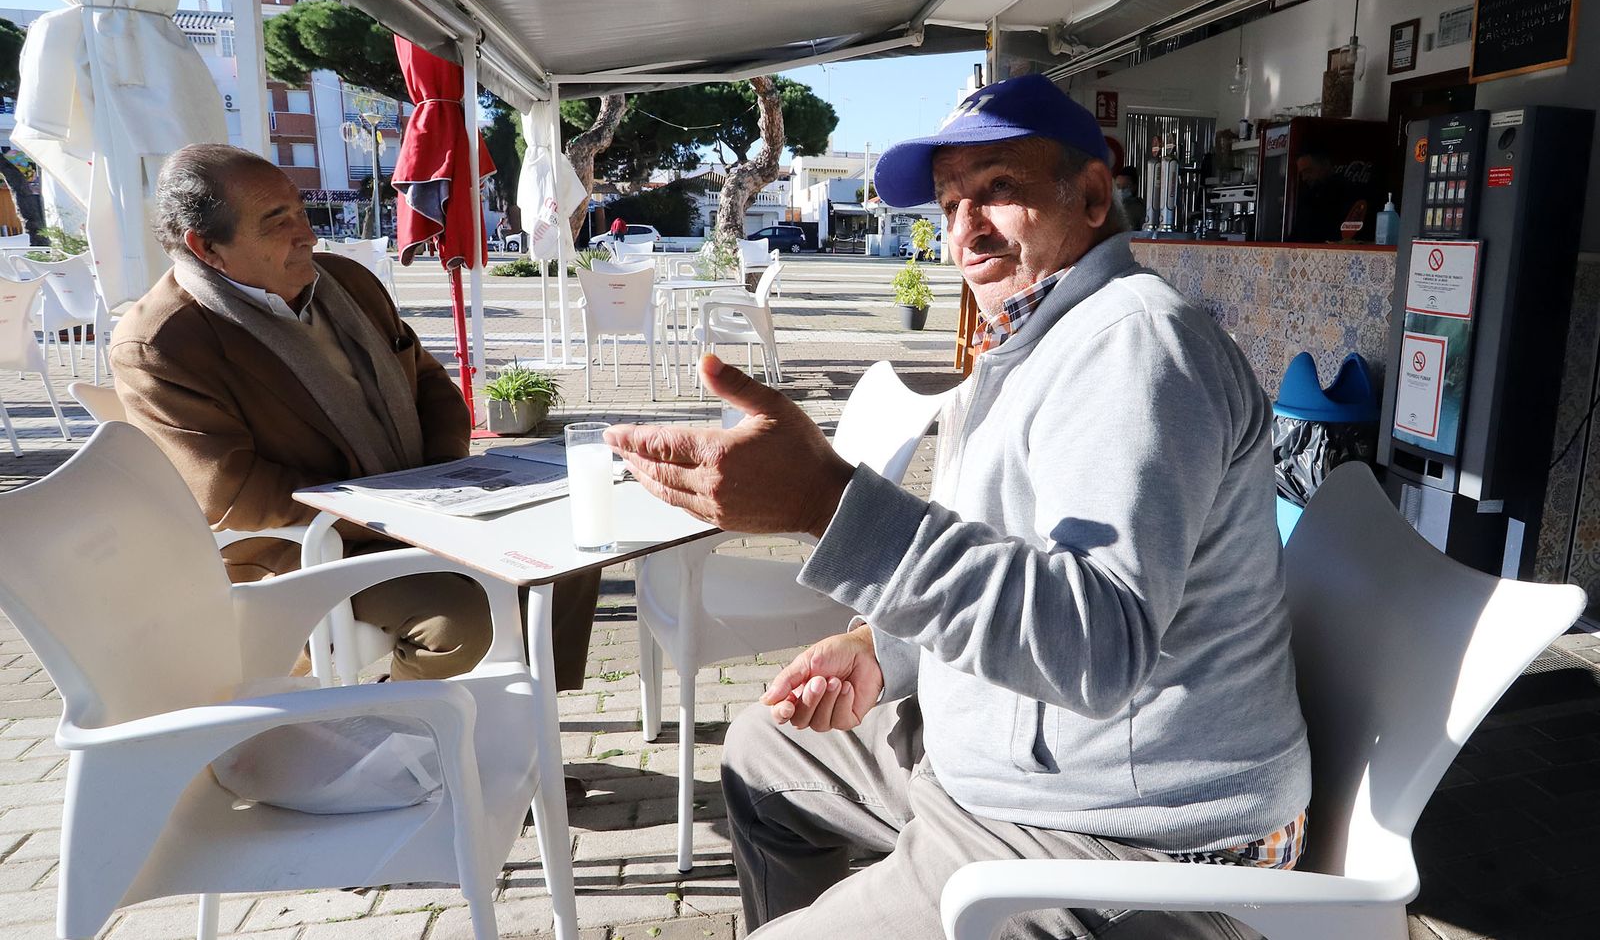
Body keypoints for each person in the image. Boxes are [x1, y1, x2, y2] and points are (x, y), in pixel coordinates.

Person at [605, 75, 1311, 938]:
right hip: (1004, 773)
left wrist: (827, 501)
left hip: (1131, 837)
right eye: (949, 203)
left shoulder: (1133, 346)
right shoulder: (1031, 344)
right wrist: (881, 647)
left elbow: (1101, 643)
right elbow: (1008, 561)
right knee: (763, 749)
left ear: (1090, 197)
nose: (966, 229)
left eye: (998, 190)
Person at [111, 144, 601, 699]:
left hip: (424, 508)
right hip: (303, 546)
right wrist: (390, 510)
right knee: (463, 621)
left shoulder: (347, 282)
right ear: (207, 248)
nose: (308, 234)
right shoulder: (163, 343)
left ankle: (521, 738)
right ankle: (424, 755)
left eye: (301, 210)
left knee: (568, 561)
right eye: (278, 221)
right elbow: (230, 493)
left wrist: (443, 481)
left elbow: (432, 387)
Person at [1115, 164, 1147, 230]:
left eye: (1126, 186)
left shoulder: (1139, 209)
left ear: (1134, 186)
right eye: (1118, 186)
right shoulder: (1111, 206)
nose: (1121, 190)